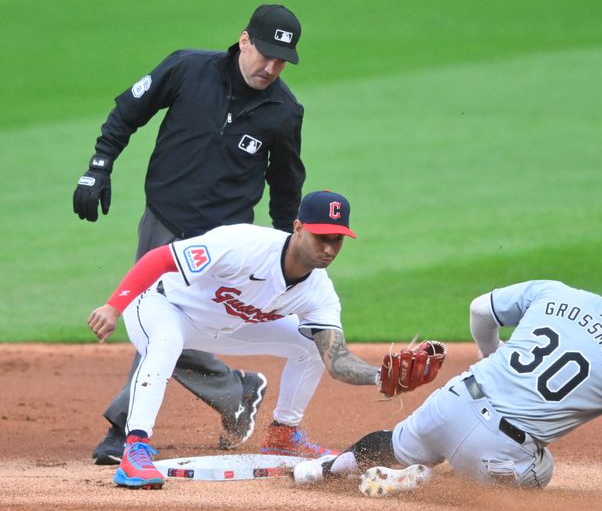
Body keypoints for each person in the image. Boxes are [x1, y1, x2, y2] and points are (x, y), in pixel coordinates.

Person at [293, 259, 602, 496]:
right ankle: (427, 486)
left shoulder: (554, 292)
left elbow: (481, 308)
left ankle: (322, 471)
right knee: (543, 470)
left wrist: (490, 355)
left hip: (454, 398)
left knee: (394, 439)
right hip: (497, 450)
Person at [73, 4, 308, 465]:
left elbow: (286, 186)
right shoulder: (187, 68)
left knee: (162, 326)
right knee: (160, 324)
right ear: (244, 40)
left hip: (223, 241)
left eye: (282, 60)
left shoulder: (284, 111)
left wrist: (285, 256)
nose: (271, 67)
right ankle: (235, 392)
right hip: (162, 221)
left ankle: (124, 429)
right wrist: (98, 167)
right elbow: (127, 111)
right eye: (265, 53)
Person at [86, 190, 389, 489]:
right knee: (166, 341)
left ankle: (283, 435)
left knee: (310, 344)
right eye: (321, 236)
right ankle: (135, 448)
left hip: (225, 325)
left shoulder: (319, 292)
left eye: (337, 239)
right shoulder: (244, 245)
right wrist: (113, 307)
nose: (329, 248)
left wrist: (381, 376)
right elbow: (160, 258)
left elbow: (336, 359)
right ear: (297, 227)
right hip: (161, 306)